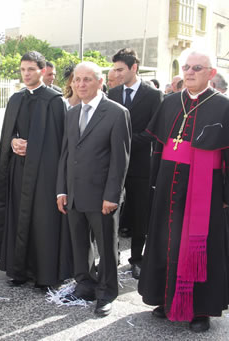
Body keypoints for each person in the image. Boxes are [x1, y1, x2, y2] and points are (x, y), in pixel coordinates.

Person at [138, 51, 229, 332]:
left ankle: (201, 310)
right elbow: (157, 148)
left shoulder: (226, 108)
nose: (189, 72)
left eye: (197, 68)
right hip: (168, 189)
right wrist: (153, 185)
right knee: (167, 243)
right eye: (186, 67)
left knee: (201, 248)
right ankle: (165, 299)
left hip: (206, 191)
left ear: (211, 74)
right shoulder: (169, 103)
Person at [0, 51, 71, 289]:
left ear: (42, 71)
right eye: (23, 70)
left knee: (42, 220)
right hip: (19, 170)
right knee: (18, 217)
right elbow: (9, 134)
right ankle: (18, 270)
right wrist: (13, 142)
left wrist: (34, 147)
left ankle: (44, 275)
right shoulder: (16, 99)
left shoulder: (55, 101)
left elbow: (61, 141)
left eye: (31, 69)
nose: (26, 74)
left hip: (45, 173)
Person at [56, 61, 131, 317]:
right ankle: (85, 284)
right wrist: (61, 190)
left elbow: (120, 160)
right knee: (79, 243)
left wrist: (112, 196)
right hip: (75, 193)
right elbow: (66, 154)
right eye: (77, 80)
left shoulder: (116, 113)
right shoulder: (72, 112)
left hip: (102, 197)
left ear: (101, 82)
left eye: (87, 79)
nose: (80, 84)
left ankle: (106, 292)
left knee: (106, 247)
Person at [108, 48, 164, 279]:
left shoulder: (153, 96)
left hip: (140, 164)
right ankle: (112, 255)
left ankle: (137, 258)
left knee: (140, 213)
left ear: (134, 68)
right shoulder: (112, 94)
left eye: (121, 69)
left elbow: (154, 131)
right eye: (115, 69)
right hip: (113, 165)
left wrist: (124, 143)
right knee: (111, 210)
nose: (117, 73)